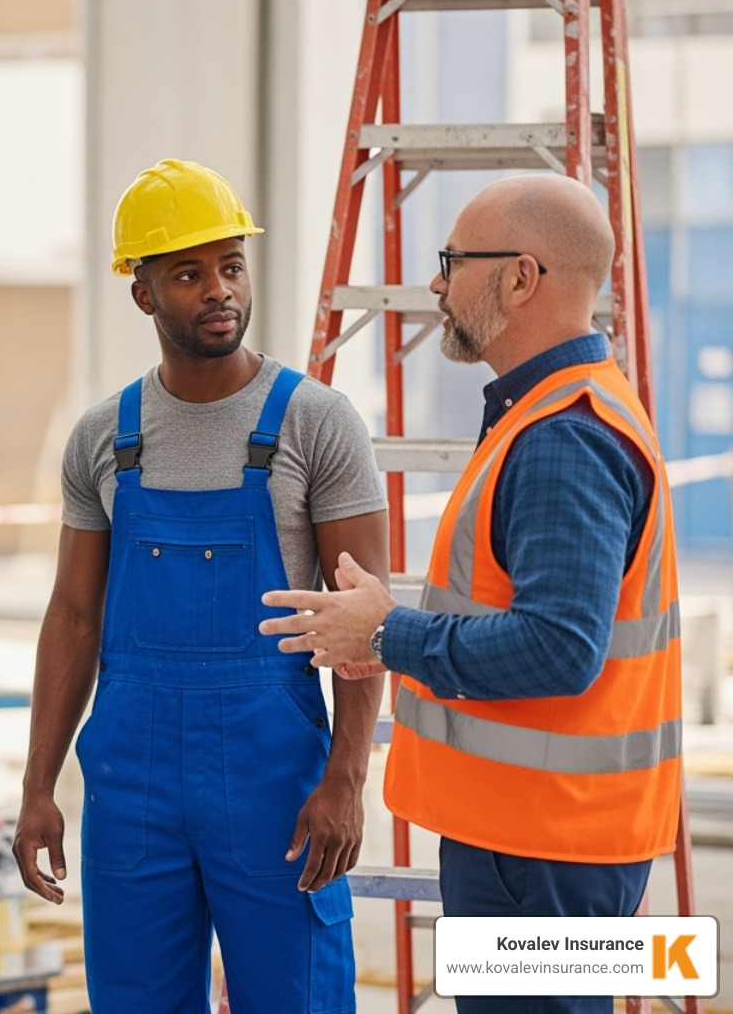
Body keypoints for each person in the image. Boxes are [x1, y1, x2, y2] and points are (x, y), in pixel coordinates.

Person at [260, 173, 680, 1014]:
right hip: (546, 845)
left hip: (540, 855)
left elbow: (559, 648)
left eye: (453, 262)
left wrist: (386, 634)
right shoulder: (559, 411)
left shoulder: (562, 437)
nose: (435, 283)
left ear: (521, 278)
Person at [11, 159, 388, 1013]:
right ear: (142, 293)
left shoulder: (316, 421)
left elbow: (364, 620)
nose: (219, 289)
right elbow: (73, 617)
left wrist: (346, 779)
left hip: (276, 785)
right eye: (188, 273)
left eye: (231, 266)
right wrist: (38, 786)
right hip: (133, 784)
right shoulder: (104, 437)